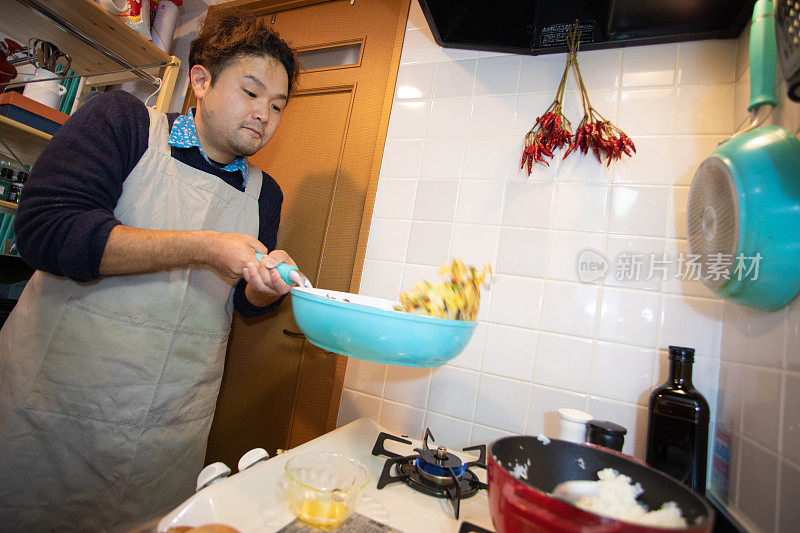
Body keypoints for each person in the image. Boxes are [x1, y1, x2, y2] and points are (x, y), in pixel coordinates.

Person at [0, 10, 299, 531]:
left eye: (277, 105)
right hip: (53, 413)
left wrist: (268, 288)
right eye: (251, 93)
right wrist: (204, 247)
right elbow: (47, 233)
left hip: (167, 436)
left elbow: (241, 308)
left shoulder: (263, 195)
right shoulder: (124, 123)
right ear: (201, 81)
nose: (264, 115)